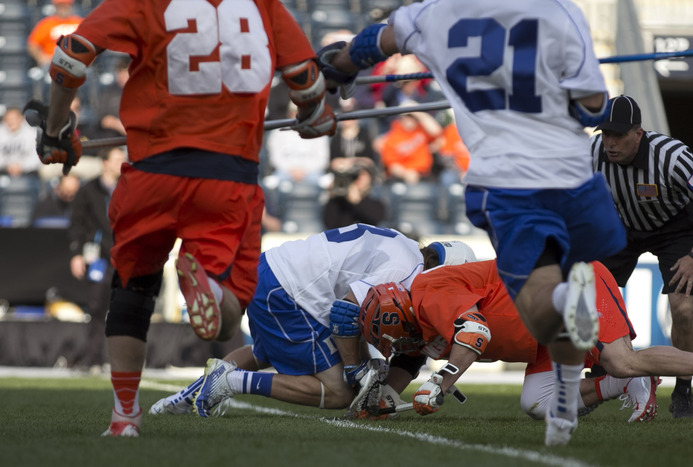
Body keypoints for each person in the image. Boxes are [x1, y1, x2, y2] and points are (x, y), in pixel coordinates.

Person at [317, 0, 627, 446]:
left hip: (503, 182)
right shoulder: (561, 12)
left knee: (541, 303)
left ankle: (562, 310)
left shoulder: (433, 15)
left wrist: (337, 69)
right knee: (572, 277)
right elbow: (596, 109)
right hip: (574, 179)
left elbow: (370, 44)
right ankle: (570, 315)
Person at [32, 0, 337, 437]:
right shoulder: (263, 5)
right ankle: (210, 287)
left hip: (152, 174)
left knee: (132, 289)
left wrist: (57, 127)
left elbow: (70, 56)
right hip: (229, 179)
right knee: (229, 316)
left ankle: (124, 418)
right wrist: (314, 114)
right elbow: (306, 82)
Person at [352, 260, 693, 426]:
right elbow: (416, 356)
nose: (398, 344)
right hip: (542, 331)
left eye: (390, 336)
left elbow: (473, 334)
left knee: (621, 358)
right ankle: (625, 385)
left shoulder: (427, 294)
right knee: (538, 402)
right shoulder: (419, 321)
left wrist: (437, 385)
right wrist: (382, 400)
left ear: (396, 316)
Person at [148, 225, 476, 417]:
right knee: (340, 393)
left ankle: (185, 398)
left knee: (265, 354)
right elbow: (346, 313)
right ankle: (231, 383)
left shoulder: (405, 251)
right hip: (289, 292)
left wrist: (381, 392)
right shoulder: (409, 271)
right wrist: (356, 369)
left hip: (279, 276)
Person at [591, 95, 693, 419]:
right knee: (587, 295)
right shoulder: (591, 152)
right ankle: (596, 376)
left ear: (638, 133)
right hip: (622, 226)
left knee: (681, 307)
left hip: (676, 228)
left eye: (618, 135)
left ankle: (683, 388)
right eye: (606, 134)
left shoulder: (671, 156)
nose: (610, 143)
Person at [67, 146, 126, 371]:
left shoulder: (129, 188)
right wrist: (76, 254)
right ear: (105, 162)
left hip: (124, 257)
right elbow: (76, 226)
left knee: (125, 308)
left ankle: (123, 359)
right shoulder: (88, 190)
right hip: (99, 257)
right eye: (118, 158)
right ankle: (93, 358)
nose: (122, 162)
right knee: (97, 306)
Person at [266, 103, 331, 186]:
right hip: (285, 172)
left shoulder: (319, 132)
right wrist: (292, 170)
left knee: (325, 182)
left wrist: (304, 170)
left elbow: (323, 159)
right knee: (270, 184)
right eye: (295, 112)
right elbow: (275, 158)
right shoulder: (278, 132)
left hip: (312, 172)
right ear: (289, 113)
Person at [375, 111, 441, 184]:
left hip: (425, 174)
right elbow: (392, 166)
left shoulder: (422, 130)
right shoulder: (392, 136)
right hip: (403, 177)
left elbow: (437, 132)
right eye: (407, 117)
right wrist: (405, 174)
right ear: (401, 118)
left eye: (412, 117)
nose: (409, 120)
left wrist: (420, 114)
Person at [322, 164, 387, 229]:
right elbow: (329, 224)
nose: (358, 177)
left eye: (363, 174)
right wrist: (333, 196)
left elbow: (375, 220)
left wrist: (357, 201)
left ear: (370, 178)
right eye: (355, 175)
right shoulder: (339, 201)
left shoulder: (377, 202)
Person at [26, 0, 83, 68]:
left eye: (66, 5)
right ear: (55, 6)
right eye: (60, 5)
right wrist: (41, 57)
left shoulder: (80, 23)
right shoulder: (46, 24)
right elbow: (32, 45)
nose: (63, 8)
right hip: (52, 63)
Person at [0, 107, 41, 179]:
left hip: (29, 172)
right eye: (8, 119)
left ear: (21, 119)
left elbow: (37, 157)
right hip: (3, 171)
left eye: (14, 119)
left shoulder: (32, 133)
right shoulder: (1, 132)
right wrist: (8, 166)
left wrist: (21, 166)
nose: (11, 122)